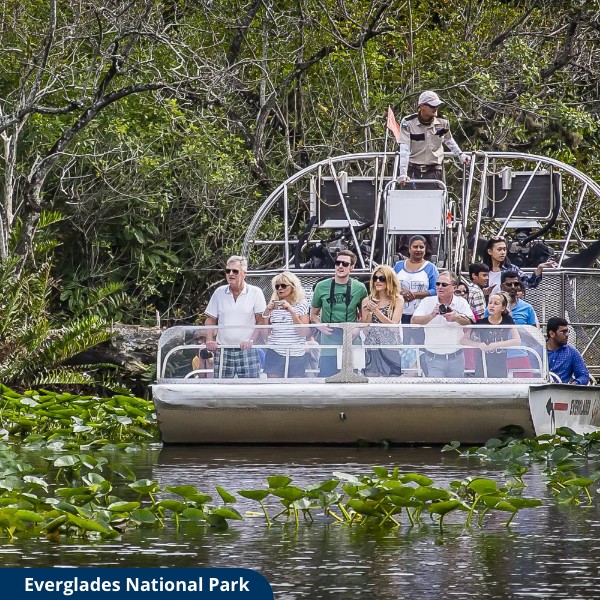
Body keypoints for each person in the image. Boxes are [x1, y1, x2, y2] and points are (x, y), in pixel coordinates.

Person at [387, 91, 471, 186]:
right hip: (413, 170)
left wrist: (460, 154)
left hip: (434, 170)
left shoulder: (440, 123)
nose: (436, 108)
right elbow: (404, 148)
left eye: (437, 106)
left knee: (434, 198)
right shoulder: (409, 123)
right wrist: (403, 173)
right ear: (422, 106)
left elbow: (447, 139)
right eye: (432, 106)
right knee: (410, 198)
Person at [204, 255, 266, 378]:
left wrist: (251, 341)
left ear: (244, 274)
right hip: (223, 349)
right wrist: (209, 339)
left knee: (250, 389)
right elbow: (210, 320)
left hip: (248, 350)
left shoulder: (256, 292)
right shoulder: (219, 292)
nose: (230, 274)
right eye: (228, 271)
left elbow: (260, 322)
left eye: (235, 271)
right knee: (221, 389)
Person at [310, 249, 368, 377]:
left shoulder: (360, 288)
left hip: (351, 341)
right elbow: (313, 314)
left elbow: (365, 318)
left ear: (351, 267)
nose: (340, 266)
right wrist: (320, 326)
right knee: (327, 381)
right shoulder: (321, 286)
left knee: (354, 382)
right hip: (329, 342)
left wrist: (357, 328)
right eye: (338, 263)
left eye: (345, 264)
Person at [411, 271, 475, 377]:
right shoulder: (427, 301)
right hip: (433, 358)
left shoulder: (461, 302)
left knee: (455, 392)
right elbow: (413, 322)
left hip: (456, 357)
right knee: (436, 392)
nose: (440, 287)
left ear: (454, 288)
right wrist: (432, 314)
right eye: (437, 284)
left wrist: (456, 317)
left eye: (444, 284)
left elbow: (472, 321)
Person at [394, 235, 438, 369]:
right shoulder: (398, 266)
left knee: (422, 347)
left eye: (421, 247)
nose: (418, 250)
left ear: (425, 249)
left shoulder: (430, 268)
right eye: (415, 247)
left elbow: (435, 290)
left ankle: (425, 372)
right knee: (403, 346)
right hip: (401, 314)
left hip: (421, 315)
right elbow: (391, 287)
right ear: (409, 248)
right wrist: (402, 293)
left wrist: (416, 295)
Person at [262, 272, 310, 378]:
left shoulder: (302, 304)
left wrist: (291, 312)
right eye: (277, 286)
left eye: (283, 285)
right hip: (275, 352)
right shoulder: (273, 305)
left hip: (296, 353)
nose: (280, 288)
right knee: (273, 388)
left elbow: (304, 332)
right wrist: (266, 314)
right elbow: (265, 334)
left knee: (295, 389)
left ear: (293, 286)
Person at [462, 292, 520, 378]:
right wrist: (478, 345)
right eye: (490, 303)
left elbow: (517, 340)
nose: (492, 306)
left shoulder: (507, 320)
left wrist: (497, 344)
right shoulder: (481, 323)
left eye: (496, 304)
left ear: (503, 308)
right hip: (483, 363)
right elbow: (464, 340)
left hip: (500, 364)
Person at [361, 265, 405, 377]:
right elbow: (366, 329)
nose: (378, 281)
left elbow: (393, 327)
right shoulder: (367, 300)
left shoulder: (397, 300)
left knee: (392, 383)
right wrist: (370, 312)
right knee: (370, 382)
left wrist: (376, 310)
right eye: (375, 278)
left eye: (382, 278)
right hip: (372, 347)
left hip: (390, 347)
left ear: (390, 280)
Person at [483, 235, 555, 294]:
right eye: (499, 249)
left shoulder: (511, 268)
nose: (503, 252)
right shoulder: (482, 270)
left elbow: (530, 282)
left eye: (504, 249)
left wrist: (539, 268)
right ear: (490, 251)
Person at [546, 317, 590, 385]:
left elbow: (584, 376)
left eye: (567, 331)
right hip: (541, 391)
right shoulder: (539, 351)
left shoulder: (572, 352)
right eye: (563, 332)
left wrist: (574, 384)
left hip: (564, 392)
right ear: (552, 334)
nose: (567, 335)